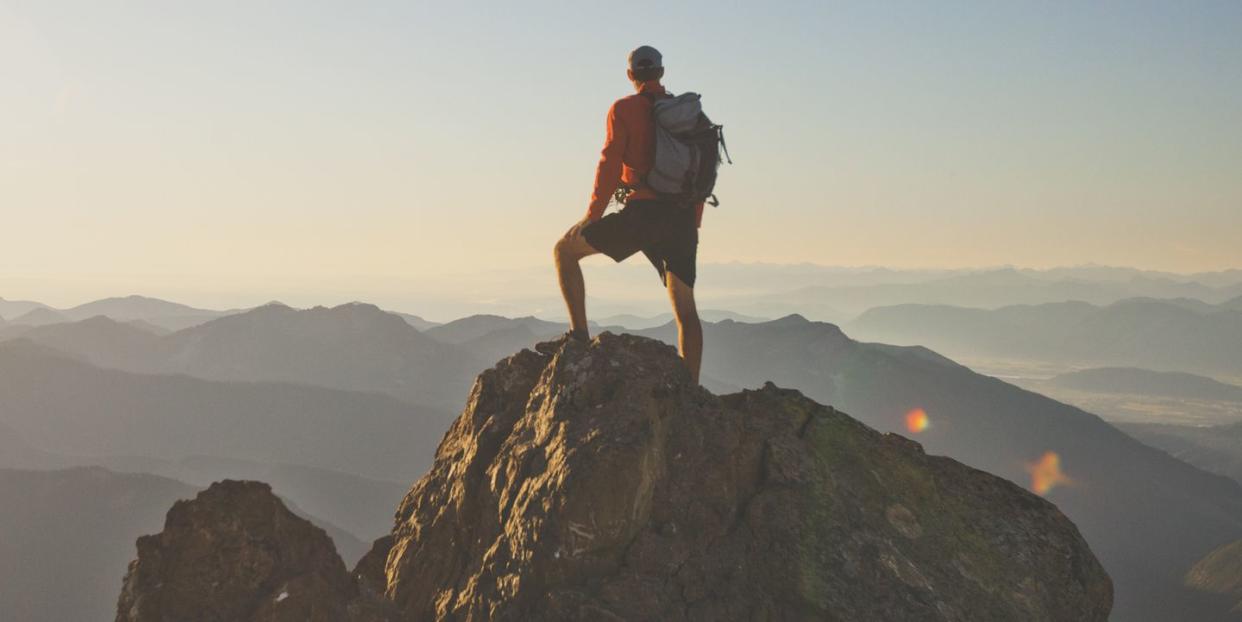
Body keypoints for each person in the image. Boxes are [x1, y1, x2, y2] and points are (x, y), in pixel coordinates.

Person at [553, 45, 705, 383]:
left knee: (564, 251)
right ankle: (690, 388)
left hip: (643, 212)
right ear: (662, 73)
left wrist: (592, 215)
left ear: (630, 75)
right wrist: (693, 221)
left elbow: (609, 163)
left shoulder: (623, 109)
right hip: (681, 217)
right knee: (685, 308)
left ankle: (578, 337)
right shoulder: (688, 114)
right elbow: (703, 171)